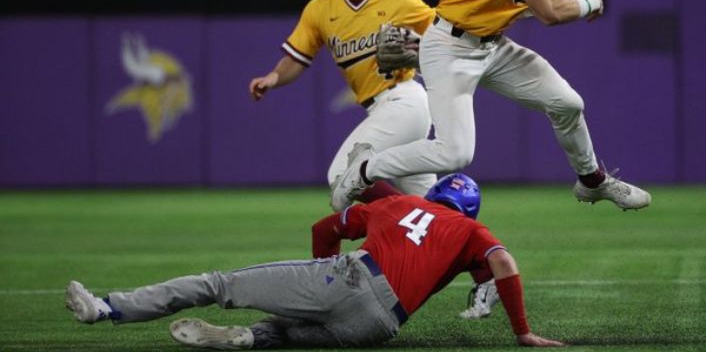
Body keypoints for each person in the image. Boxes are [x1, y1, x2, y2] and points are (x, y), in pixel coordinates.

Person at [330, 0, 652, 319]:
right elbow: (551, 14)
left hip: (490, 46)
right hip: (450, 49)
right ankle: (365, 167)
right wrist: (589, 2)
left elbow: (524, 5)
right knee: (455, 152)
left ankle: (592, 181)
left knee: (567, 103)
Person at [65, 173, 565, 349]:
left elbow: (324, 229)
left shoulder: (399, 203)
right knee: (282, 333)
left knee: (219, 284)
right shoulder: (472, 232)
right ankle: (250, 338)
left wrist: (322, 280)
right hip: (379, 327)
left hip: (347, 279)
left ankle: (107, 308)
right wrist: (522, 332)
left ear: (433, 194)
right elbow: (501, 266)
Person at [248, 0, 437, 207]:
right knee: (428, 204)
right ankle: (454, 231)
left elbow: (446, 35)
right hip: (383, 109)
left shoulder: (402, 2)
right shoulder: (321, 9)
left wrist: (421, 50)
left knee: (342, 175)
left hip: (405, 101)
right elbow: (298, 57)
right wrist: (273, 78)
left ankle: (404, 218)